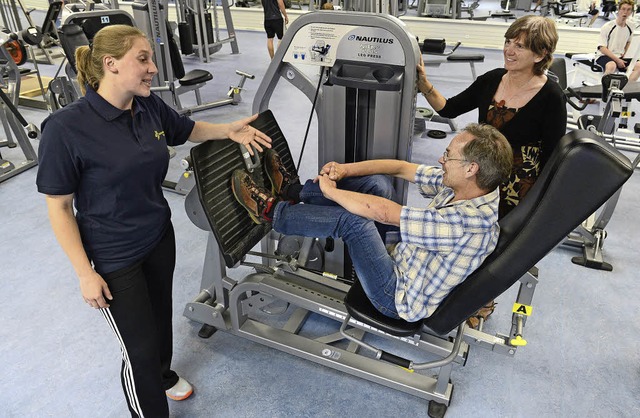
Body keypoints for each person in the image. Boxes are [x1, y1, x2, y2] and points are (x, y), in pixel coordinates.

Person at [35, 25, 271, 418]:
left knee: (160, 319)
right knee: (138, 351)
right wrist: (83, 273)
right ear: (110, 65)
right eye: (142, 59)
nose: (152, 68)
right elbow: (58, 207)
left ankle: (163, 374)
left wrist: (228, 130)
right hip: (114, 257)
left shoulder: (147, 106)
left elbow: (188, 129)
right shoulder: (65, 129)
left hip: (158, 237)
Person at [231, 124, 513, 322]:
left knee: (356, 222)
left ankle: (271, 211)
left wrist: (331, 190)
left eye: (448, 155)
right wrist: (345, 170)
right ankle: (292, 191)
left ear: (471, 168)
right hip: (406, 256)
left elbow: (384, 214)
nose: (441, 159)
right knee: (378, 185)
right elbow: (401, 168)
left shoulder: (468, 223)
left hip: (396, 297)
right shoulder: (471, 186)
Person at [416, 15, 566, 326]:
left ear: (540, 54)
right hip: (478, 175)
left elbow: (554, 157)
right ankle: (443, 291)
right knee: (458, 235)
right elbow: (448, 108)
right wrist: (423, 83)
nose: (509, 50)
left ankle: (482, 301)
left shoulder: (551, 96)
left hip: (516, 186)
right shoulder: (492, 78)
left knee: (491, 249)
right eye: (509, 42)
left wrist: (542, 205)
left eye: (520, 46)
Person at [595, 0, 640, 81]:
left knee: (639, 65)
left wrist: (624, 54)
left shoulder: (631, 26)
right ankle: (605, 91)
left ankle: (627, 89)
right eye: (623, 9)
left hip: (620, 56)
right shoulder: (608, 26)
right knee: (611, 66)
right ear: (618, 10)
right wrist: (617, 60)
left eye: (629, 9)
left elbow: (628, 42)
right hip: (604, 56)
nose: (625, 12)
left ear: (631, 12)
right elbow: (602, 48)